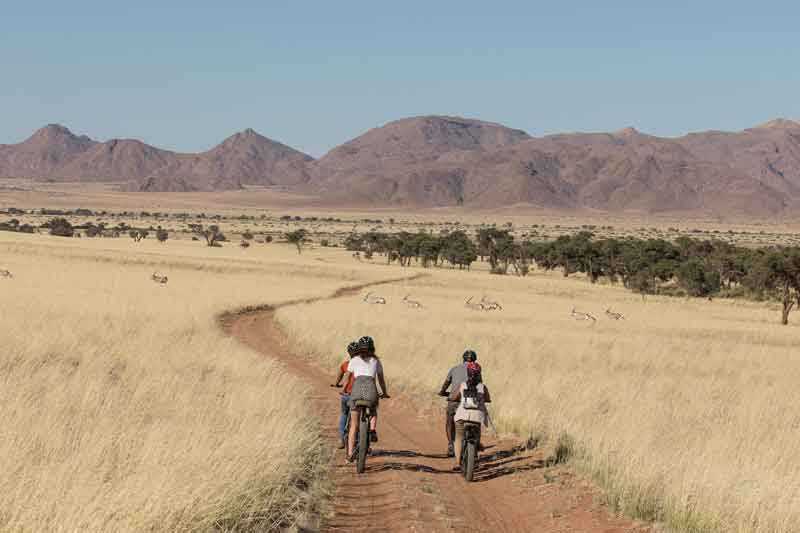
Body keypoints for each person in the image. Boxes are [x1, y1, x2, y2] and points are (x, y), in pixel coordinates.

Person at [346, 335, 389, 462]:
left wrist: (343, 390)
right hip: (371, 390)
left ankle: (349, 453)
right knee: (374, 407)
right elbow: (381, 379)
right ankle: (372, 429)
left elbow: (347, 378)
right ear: (372, 348)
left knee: (354, 425)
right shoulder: (376, 361)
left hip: (357, 390)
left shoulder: (354, 360)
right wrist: (384, 392)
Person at [449, 362, 491, 470]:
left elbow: (454, 398)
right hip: (477, 417)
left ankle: (458, 463)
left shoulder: (462, 385)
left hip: (462, 416)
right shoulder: (482, 387)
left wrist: (452, 398)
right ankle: (476, 450)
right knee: (477, 430)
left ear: (468, 373)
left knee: (458, 437)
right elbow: (488, 399)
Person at [438, 349, 478, 457]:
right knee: (475, 420)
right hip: (470, 400)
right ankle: (475, 447)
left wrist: (442, 392)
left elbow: (447, 383)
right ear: (474, 359)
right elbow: (479, 384)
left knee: (450, 420)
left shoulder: (454, 368)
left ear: (463, 359)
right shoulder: (476, 369)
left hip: (455, 400)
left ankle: (451, 444)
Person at [332, 341, 359, 449]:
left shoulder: (345, 365)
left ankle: (341, 439)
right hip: (358, 395)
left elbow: (339, 377)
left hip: (347, 395)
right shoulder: (363, 365)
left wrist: (336, 384)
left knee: (344, 413)